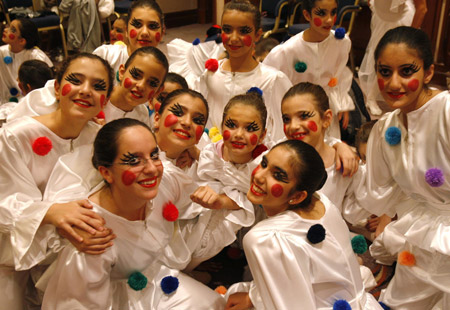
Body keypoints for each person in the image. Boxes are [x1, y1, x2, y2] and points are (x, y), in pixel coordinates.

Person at [40, 118, 224, 309]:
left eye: (154, 156)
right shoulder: (92, 236)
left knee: (214, 304)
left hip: (152, 279)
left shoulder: (164, 182)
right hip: (112, 299)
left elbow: (201, 194)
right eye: (134, 161)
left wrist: (220, 197)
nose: (152, 169)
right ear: (106, 172)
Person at [0, 53, 114, 310]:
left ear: (105, 100)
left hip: (68, 246)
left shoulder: (99, 139)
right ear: (56, 87)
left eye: (98, 87)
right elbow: (4, 201)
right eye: (75, 80)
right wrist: (50, 213)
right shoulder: (16, 135)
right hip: (9, 254)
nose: (86, 91)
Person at [224, 140, 382, 309]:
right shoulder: (322, 201)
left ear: (298, 196)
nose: (258, 176)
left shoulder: (264, 238)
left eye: (278, 175)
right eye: (264, 163)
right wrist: (253, 297)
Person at [357, 26, 450, 309]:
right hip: (424, 235)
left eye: (407, 71)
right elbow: (387, 191)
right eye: (385, 72)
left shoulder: (446, 111)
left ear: (428, 73)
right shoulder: (386, 128)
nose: (393, 83)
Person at [186, 92, 266, 270]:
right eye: (232, 125)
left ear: (262, 135)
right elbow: (205, 175)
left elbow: (255, 199)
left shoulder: (263, 166)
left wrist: (222, 201)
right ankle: (191, 265)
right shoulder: (211, 153)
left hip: (248, 222)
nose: (239, 134)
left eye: (250, 128)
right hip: (207, 213)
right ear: (221, 127)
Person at [194, 0, 292, 144]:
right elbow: (199, 114)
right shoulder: (211, 74)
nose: (234, 38)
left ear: (257, 35)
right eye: (227, 30)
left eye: (243, 31)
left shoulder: (272, 79)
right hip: (213, 152)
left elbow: (283, 129)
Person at [263, 0, 355, 139]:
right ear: (307, 15)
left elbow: (340, 75)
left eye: (333, 12)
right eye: (322, 13)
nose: (329, 19)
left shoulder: (341, 42)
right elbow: (268, 83)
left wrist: (342, 101)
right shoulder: (287, 51)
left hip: (326, 109)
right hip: (297, 116)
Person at [358, 0, 428, 115]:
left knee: (403, 61)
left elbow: (422, 8)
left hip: (402, 20)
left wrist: (410, 34)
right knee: (380, 57)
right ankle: (372, 96)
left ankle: (407, 100)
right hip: (381, 18)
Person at [93, 0, 165, 81]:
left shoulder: (164, 70)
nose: (145, 32)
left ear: (162, 33)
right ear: (126, 30)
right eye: (137, 24)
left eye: (152, 26)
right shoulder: (105, 56)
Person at [104, 46, 168, 124]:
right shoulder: (98, 100)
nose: (141, 86)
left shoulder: (142, 114)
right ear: (122, 72)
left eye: (152, 83)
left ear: (158, 91)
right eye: (136, 75)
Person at [0, 18, 53, 104]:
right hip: (4, 102)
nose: (5, 30)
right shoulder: (1, 52)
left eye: (12, 30)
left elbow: (46, 85)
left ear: (22, 41)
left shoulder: (36, 56)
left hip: (30, 102)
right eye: (8, 26)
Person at [0, 59, 53, 125]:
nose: (16, 79)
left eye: (18, 80)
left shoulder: (19, 113)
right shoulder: (60, 102)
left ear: (28, 87)